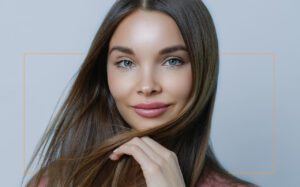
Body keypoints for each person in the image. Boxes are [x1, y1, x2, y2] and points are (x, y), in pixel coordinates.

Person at [23, 0, 258, 186]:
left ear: (203, 68)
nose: (147, 86)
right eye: (126, 63)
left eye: (172, 61)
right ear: (103, 73)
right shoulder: (54, 183)